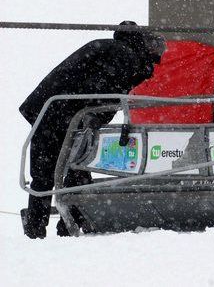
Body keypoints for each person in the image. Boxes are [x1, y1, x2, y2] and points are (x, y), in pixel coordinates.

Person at [20, 21, 166, 239]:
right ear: (142, 43)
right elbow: (107, 89)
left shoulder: (109, 48)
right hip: (64, 114)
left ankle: (37, 227)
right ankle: (68, 226)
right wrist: (96, 118)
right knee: (75, 170)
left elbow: (98, 85)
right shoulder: (124, 55)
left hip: (50, 110)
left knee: (47, 172)